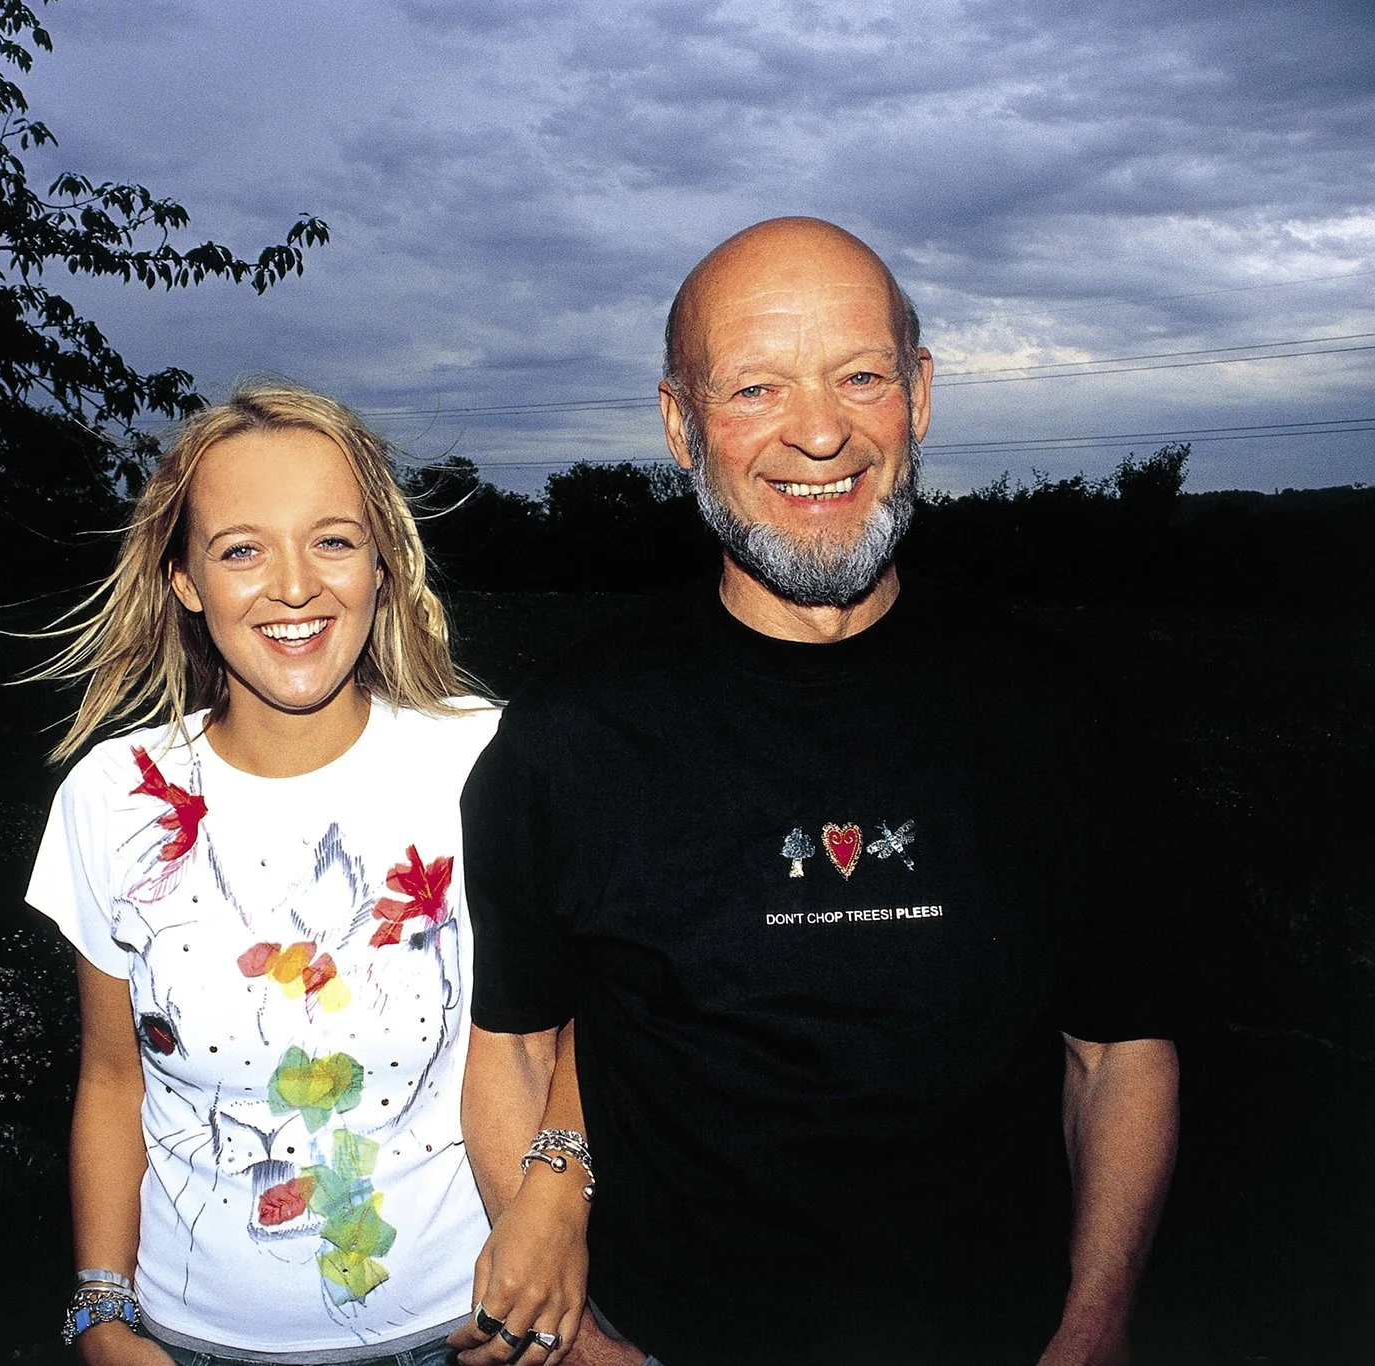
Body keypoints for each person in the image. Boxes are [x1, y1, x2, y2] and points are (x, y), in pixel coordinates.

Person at [450, 218, 1180, 1366]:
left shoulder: (1063, 715)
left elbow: (1118, 1050)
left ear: (920, 393)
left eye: (860, 375)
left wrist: (1096, 1321)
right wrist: (587, 1348)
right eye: (752, 387)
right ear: (679, 424)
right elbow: (515, 1048)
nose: (820, 430)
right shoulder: (568, 735)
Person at [24, 382, 501, 1366]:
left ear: (381, 560)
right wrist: (101, 1313)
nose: (294, 586)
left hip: (458, 1332)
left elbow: (557, 1036)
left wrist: (551, 1212)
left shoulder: (485, 763)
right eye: (241, 548)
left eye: (331, 539)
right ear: (184, 579)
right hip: (184, 1342)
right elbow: (113, 1078)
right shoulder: (114, 798)